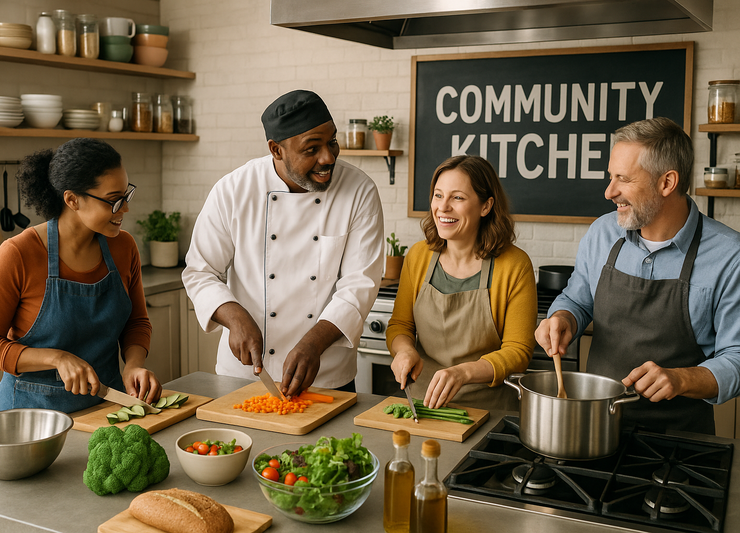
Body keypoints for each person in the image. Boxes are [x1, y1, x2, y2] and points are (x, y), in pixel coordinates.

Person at [535, 117, 740, 435]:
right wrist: (564, 318)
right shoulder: (602, 233)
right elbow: (577, 298)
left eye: (623, 179)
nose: (609, 191)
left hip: (681, 442)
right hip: (596, 430)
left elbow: (737, 357)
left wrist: (681, 379)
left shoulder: (730, 255)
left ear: (667, 183)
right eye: (610, 177)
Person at [182, 89, 384, 397]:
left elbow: (360, 284)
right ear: (276, 150)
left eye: (332, 142)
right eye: (311, 149)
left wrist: (314, 343)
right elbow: (199, 271)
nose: (328, 157)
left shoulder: (359, 191)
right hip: (244, 374)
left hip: (325, 373)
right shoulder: (234, 190)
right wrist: (234, 316)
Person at [0, 138, 160, 413]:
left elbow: (136, 322)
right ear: (72, 199)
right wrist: (56, 358)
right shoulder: (18, 255)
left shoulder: (123, 247)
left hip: (107, 407)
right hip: (31, 419)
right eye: (113, 201)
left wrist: (133, 364)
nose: (124, 209)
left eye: (126, 196)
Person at [386, 155, 537, 411]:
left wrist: (463, 373)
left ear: (486, 206)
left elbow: (518, 351)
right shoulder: (418, 256)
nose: (443, 207)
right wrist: (403, 351)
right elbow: (400, 325)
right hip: (422, 405)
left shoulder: (515, 265)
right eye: (438, 195)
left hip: (488, 409)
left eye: (457, 198)